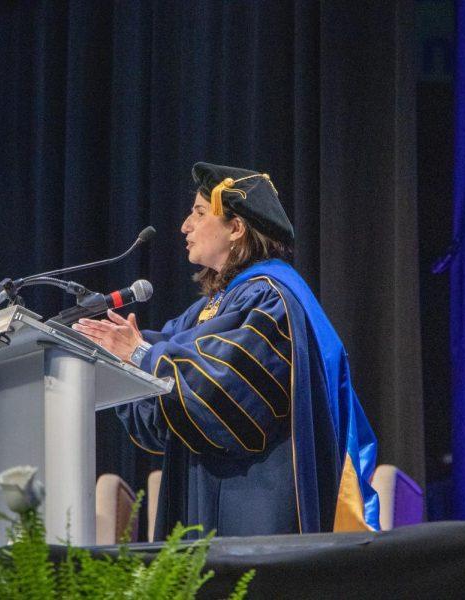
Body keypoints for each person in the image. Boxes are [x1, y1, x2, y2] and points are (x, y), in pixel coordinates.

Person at [72, 162, 379, 538]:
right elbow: (161, 392)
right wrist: (110, 354)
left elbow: (222, 392)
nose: (185, 225)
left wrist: (138, 354)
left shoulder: (271, 298)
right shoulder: (207, 310)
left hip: (256, 509)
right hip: (206, 503)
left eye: (199, 213)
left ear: (236, 228)